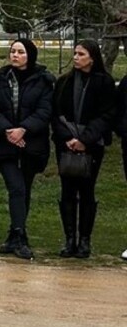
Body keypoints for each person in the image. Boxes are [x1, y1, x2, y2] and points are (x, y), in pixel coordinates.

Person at [0, 38, 53, 260]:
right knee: (16, 187)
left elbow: (44, 110)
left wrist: (24, 129)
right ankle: (19, 235)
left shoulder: (43, 80)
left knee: (25, 188)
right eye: (12, 51)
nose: (15, 55)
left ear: (29, 55)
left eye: (20, 52)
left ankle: (15, 235)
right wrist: (8, 131)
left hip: (31, 143)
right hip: (4, 144)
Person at [53, 40, 116, 259]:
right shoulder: (64, 82)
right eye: (75, 53)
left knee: (87, 190)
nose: (76, 57)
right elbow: (56, 114)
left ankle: (85, 240)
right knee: (67, 190)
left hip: (92, 145)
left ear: (92, 57)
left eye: (81, 54)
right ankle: (69, 239)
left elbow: (106, 115)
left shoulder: (104, 82)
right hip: (66, 144)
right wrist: (68, 138)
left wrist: (85, 140)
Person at [101, 0, 127, 69]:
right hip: (112, 30)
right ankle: (105, 82)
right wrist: (119, 16)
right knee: (107, 57)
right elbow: (106, 5)